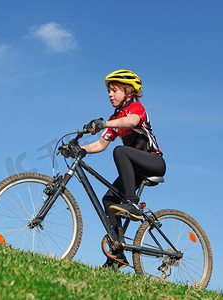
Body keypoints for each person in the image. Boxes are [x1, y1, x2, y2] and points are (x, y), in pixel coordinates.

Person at [79, 70, 166, 268]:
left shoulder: (136, 107)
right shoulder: (115, 117)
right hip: (135, 170)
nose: (110, 95)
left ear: (128, 92)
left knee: (121, 151)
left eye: (115, 90)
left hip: (154, 162)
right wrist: (78, 149)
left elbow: (132, 121)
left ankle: (132, 203)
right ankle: (117, 256)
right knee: (108, 199)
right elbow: (100, 145)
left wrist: (104, 123)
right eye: (109, 91)